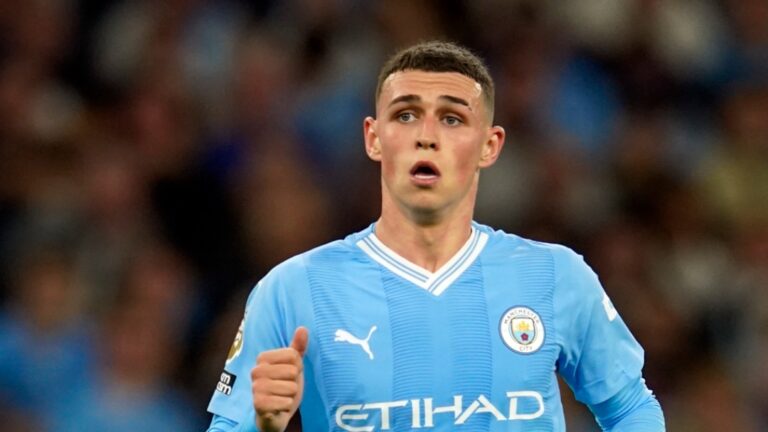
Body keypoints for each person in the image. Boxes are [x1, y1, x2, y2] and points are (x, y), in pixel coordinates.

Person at [205, 40, 665, 431]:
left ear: (490, 145)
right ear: (374, 138)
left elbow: (631, 408)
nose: (427, 136)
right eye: (406, 115)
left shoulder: (555, 276)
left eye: (452, 119)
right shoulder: (292, 290)